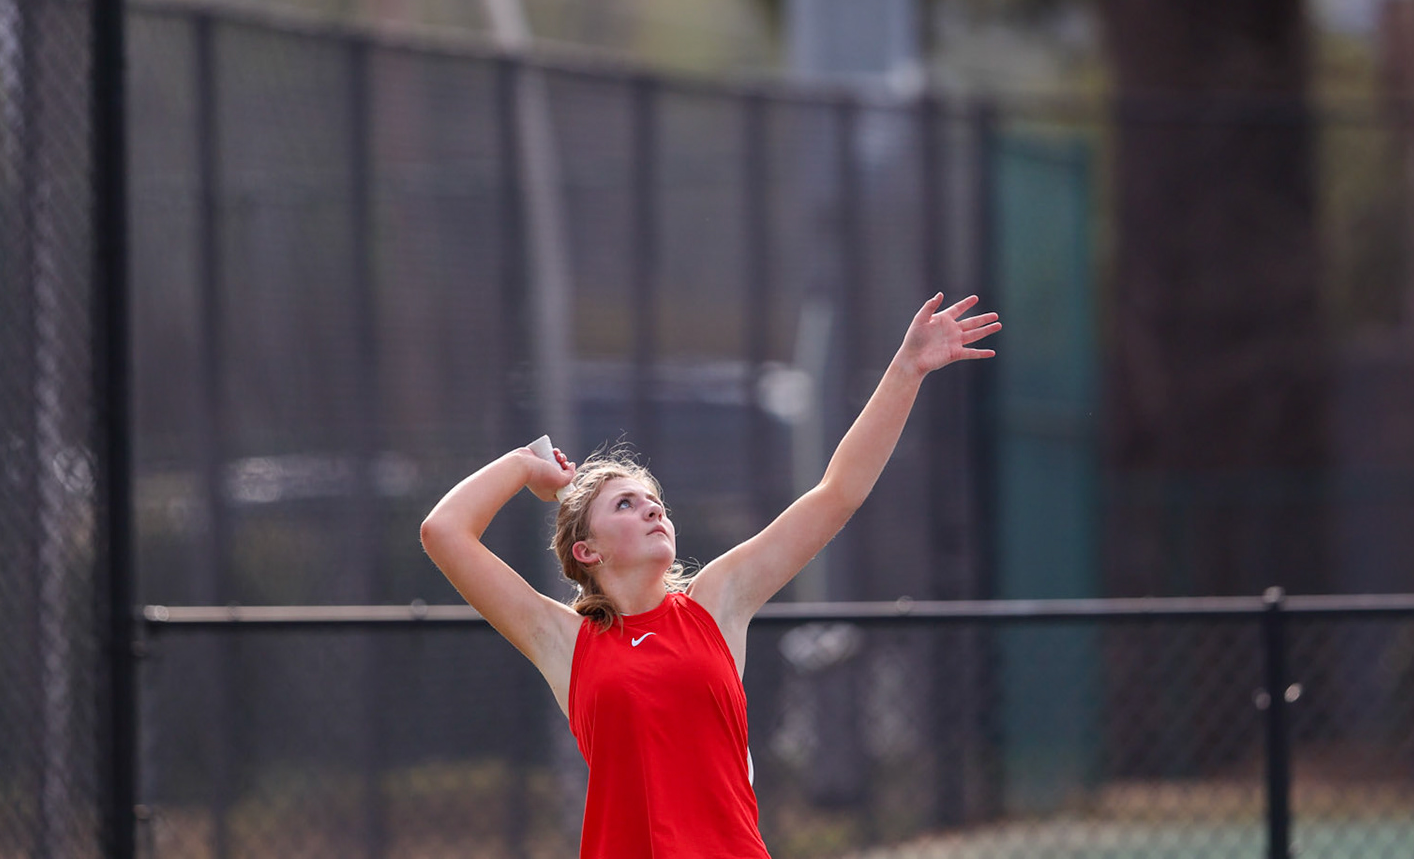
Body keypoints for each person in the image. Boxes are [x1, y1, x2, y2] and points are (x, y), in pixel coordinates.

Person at [419, 292, 1001, 859]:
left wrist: (907, 369)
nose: (652, 509)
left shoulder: (715, 604)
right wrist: (524, 465)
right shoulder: (565, 642)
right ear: (586, 551)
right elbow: (443, 532)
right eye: (625, 504)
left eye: (654, 501)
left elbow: (837, 493)